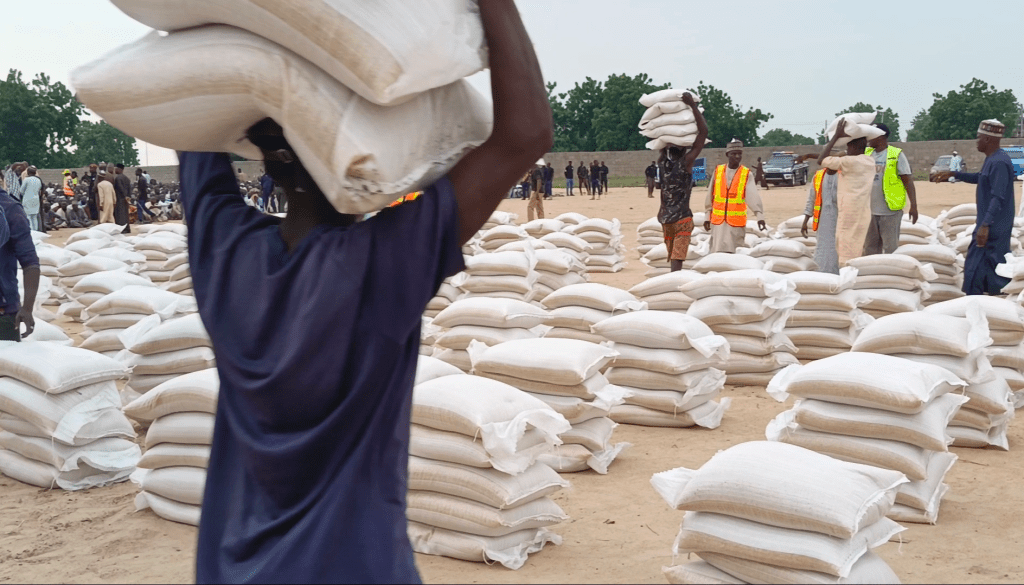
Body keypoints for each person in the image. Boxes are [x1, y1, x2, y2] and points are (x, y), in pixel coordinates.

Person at [181, 3, 551, 582]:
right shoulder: (381, 263)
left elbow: (192, 132)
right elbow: (524, 136)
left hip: (230, 566)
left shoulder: (221, 250)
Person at [933, 120, 1015, 295]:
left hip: (994, 225)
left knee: (981, 267)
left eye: (978, 138)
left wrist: (985, 225)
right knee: (984, 269)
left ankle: (983, 303)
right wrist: (954, 174)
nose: (976, 141)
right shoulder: (992, 159)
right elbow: (980, 177)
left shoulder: (999, 162)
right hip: (990, 222)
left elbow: (997, 197)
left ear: (987, 139)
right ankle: (984, 301)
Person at [658, 93, 708, 272]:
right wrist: (693, 107)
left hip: (665, 218)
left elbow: (661, 135)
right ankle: (673, 283)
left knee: (674, 257)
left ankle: (672, 282)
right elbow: (703, 133)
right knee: (676, 260)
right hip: (681, 219)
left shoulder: (661, 161)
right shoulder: (686, 162)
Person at [816, 119, 877, 264]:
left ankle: (847, 278)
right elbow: (831, 171)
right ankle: (854, 275)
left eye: (848, 147)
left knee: (845, 250)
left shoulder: (849, 162)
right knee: (857, 246)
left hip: (849, 212)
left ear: (853, 148)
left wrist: (836, 136)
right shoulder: (869, 161)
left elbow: (821, 159)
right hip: (863, 212)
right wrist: (845, 152)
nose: (846, 151)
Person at [863, 122, 918, 255]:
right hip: (869, 211)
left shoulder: (896, 154)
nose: (868, 138)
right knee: (869, 248)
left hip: (889, 211)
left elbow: (908, 181)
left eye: (871, 135)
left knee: (890, 248)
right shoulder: (866, 153)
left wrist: (914, 206)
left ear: (881, 136)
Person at [703, 140, 766, 253]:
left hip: (735, 224)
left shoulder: (746, 174)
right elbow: (710, 195)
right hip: (718, 223)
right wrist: (707, 216)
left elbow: (753, 197)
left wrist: (760, 216)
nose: (737, 156)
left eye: (739, 153)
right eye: (734, 153)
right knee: (716, 252)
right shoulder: (718, 171)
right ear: (727, 155)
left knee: (734, 253)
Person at [0, 176, 39, 341]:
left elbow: (30, 262)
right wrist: (27, 308)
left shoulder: (9, 210)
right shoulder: (10, 208)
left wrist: (27, 308)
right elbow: (30, 262)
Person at [800, 158, 840, 274]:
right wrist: (805, 221)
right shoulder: (818, 176)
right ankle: (821, 273)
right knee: (823, 248)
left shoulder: (844, 174)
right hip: (823, 220)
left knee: (838, 247)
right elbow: (811, 199)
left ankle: (838, 273)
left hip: (841, 218)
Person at [18, 166, 43, 232]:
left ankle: (31, 232)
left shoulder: (26, 180)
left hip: (28, 199)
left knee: (28, 216)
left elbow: (21, 191)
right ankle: (36, 231)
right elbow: (39, 190)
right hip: (36, 200)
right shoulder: (38, 180)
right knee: (34, 217)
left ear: (28, 172)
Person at [113, 164, 132, 233]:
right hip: (126, 199)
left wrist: (124, 196)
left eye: (116, 169)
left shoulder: (118, 178)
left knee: (120, 215)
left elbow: (120, 188)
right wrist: (128, 198)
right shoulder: (126, 178)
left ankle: (122, 229)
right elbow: (130, 189)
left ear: (119, 169)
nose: (115, 170)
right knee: (126, 214)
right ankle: (127, 228)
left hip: (120, 199)